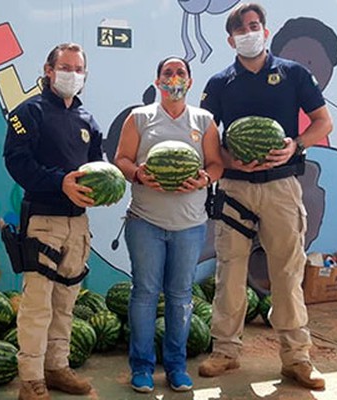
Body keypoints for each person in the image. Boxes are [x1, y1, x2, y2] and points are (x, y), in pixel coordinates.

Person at [197, 3, 333, 391]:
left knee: (287, 274)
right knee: (230, 273)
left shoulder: (293, 73)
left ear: (266, 31)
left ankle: (297, 358)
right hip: (235, 188)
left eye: (254, 26)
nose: (249, 32)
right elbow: (207, 137)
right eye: (241, 29)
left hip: (281, 187)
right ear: (230, 39)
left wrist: (296, 146)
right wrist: (226, 157)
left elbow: (323, 121)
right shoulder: (220, 82)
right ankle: (225, 351)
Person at [114, 56, 223, 393]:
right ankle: (142, 367)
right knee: (145, 294)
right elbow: (121, 160)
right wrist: (138, 174)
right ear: (158, 80)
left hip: (190, 225)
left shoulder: (203, 120)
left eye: (180, 73)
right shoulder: (140, 117)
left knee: (180, 296)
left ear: (189, 82)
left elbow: (217, 164)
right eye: (167, 73)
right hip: (145, 221)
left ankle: (176, 366)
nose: (174, 78)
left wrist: (205, 178)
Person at [3, 43, 103, 400]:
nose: (72, 74)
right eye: (65, 67)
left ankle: (56, 367)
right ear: (48, 70)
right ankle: (31, 380)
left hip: (78, 224)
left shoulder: (87, 120)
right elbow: (16, 161)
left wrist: (103, 189)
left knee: (65, 302)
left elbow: (96, 167)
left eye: (79, 68)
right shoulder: (28, 112)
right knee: (37, 304)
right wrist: (58, 181)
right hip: (43, 219)